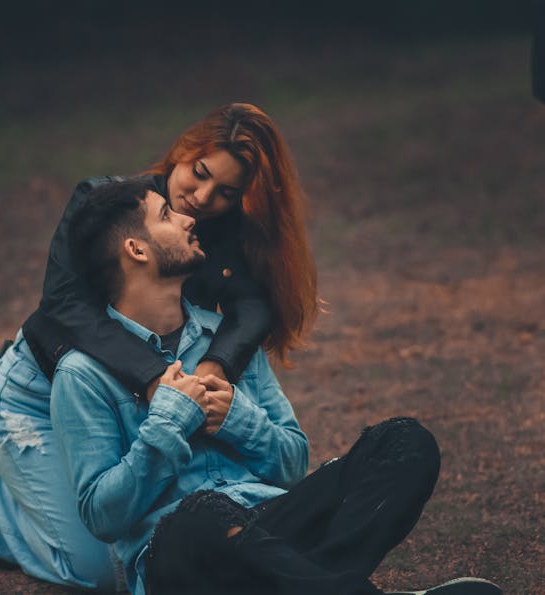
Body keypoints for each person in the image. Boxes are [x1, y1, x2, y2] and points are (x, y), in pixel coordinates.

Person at [51, 180, 502, 595]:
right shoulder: (83, 375)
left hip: (274, 528)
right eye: (167, 215)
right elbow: (103, 517)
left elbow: (291, 465)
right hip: (181, 558)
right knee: (197, 514)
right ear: (136, 249)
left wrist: (237, 420)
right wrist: (168, 423)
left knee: (405, 442)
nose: (189, 218)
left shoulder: (225, 341)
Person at [0, 103, 317, 589]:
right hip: (38, 392)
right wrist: (154, 377)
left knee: (137, 537)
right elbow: (65, 306)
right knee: (99, 573)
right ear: (183, 151)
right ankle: (3, 504)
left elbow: (254, 306)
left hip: (116, 404)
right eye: (199, 174)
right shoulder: (105, 202)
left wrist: (220, 365)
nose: (202, 198)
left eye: (226, 192)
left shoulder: (211, 234)